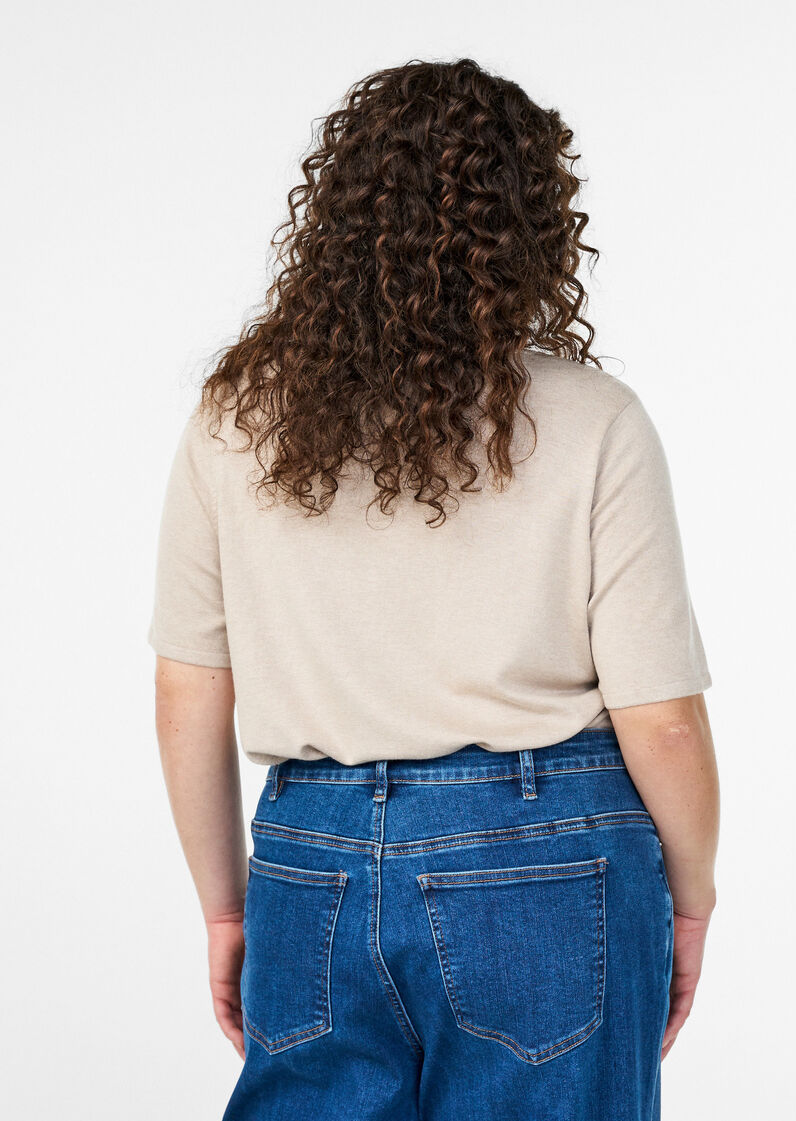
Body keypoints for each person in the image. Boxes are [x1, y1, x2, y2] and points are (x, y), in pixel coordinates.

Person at [148, 57, 720, 1121]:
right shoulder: (594, 419)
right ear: (532, 228)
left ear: (335, 217)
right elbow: (665, 720)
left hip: (311, 861)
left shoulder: (236, 419)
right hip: (548, 862)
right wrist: (691, 900)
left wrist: (229, 908)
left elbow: (189, 687)